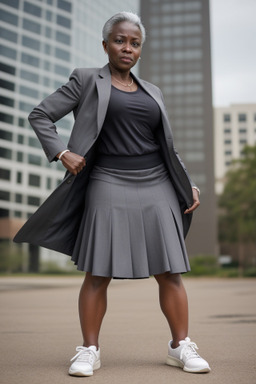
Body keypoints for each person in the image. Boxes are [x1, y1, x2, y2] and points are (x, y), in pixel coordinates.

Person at [14, 11, 211, 377]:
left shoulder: (153, 92)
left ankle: (180, 346)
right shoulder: (86, 80)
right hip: (107, 180)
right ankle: (89, 350)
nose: (127, 48)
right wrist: (62, 151)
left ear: (140, 50)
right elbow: (41, 115)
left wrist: (187, 181)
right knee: (97, 271)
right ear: (105, 44)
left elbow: (167, 146)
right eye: (120, 40)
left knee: (169, 271)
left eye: (135, 43)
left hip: (157, 185)